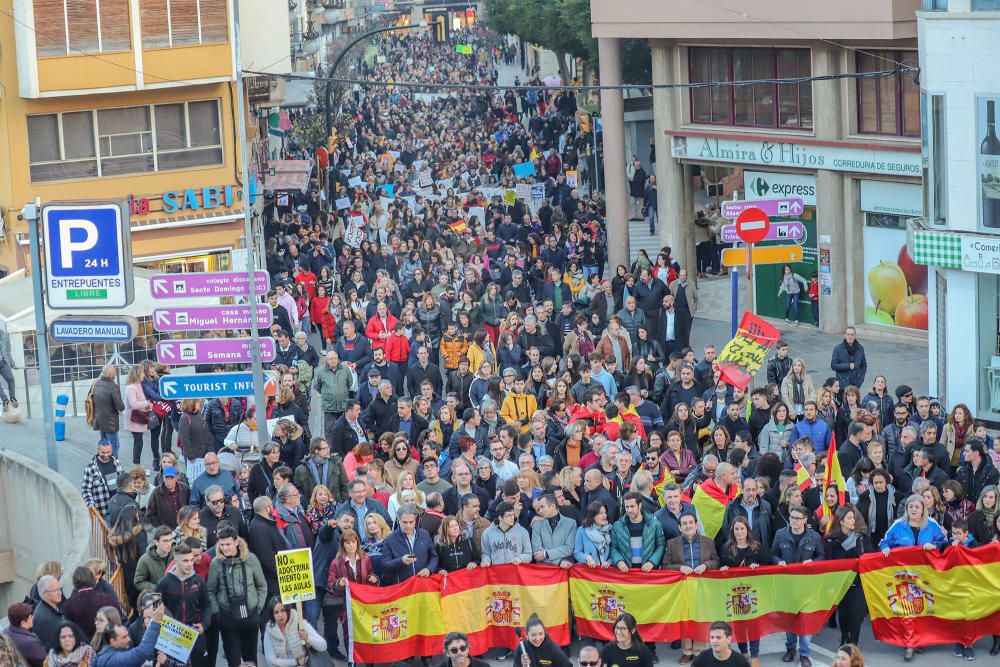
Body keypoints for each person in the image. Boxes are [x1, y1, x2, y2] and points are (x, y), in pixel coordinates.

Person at [207, 524, 267, 667]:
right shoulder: (216, 563)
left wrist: (258, 609)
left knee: (251, 657)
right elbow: (210, 590)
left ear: (236, 542)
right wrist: (218, 612)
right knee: (233, 659)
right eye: (221, 545)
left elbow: (262, 586)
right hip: (227, 616)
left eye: (228, 544)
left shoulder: (251, 559)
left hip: (251, 614)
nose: (225, 548)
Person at [771, 505, 824, 666]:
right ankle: (790, 649)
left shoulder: (814, 537)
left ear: (805, 520)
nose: (793, 521)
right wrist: (778, 561)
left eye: (797, 518)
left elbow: (822, 555)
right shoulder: (781, 534)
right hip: (787, 585)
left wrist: (813, 562)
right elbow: (772, 554)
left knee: (806, 620)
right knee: (790, 620)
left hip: (807, 585)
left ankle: (804, 654)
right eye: (792, 517)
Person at [664, 513, 719, 663]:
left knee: (700, 617)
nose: (688, 526)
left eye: (691, 522)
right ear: (679, 527)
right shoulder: (671, 543)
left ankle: (699, 650)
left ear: (696, 525)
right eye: (684, 523)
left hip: (702, 587)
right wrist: (679, 567)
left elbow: (716, 561)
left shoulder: (708, 542)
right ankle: (687, 651)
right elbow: (665, 566)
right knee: (685, 618)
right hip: (682, 587)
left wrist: (706, 565)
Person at [718, 518, 764, 666]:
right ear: (732, 530)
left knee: (753, 623)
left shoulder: (756, 547)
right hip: (734, 593)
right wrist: (722, 569)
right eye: (736, 529)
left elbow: (767, 565)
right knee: (739, 624)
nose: (739, 532)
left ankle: (755, 654)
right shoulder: (725, 548)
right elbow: (720, 566)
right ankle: (744, 652)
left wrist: (759, 567)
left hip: (752, 592)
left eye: (742, 529)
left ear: (747, 530)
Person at [156, 542, 209, 667]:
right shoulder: (163, 583)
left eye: (191, 560)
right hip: (172, 638)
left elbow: (206, 605)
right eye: (185, 561)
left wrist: (204, 625)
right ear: (176, 560)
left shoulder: (199, 580)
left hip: (195, 634)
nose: (190, 564)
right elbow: (155, 611)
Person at [824, 506, 871, 647]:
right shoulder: (831, 541)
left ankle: (853, 643)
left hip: (858, 583)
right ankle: (845, 637)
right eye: (849, 518)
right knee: (843, 616)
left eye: (853, 518)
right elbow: (828, 562)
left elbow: (870, 556)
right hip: (841, 584)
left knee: (855, 616)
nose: (853, 520)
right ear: (841, 521)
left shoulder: (862, 538)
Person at [90, 603, 164, 667]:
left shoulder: (117, 646)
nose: (129, 639)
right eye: (96, 620)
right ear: (113, 641)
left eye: (101, 620)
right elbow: (142, 652)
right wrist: (155, 621)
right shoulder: (108, 657)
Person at [262, 596, 326, 667]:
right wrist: (296, 662)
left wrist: (308, 638)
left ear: (288, 610)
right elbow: (271, 661)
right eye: (276, 612)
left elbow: (323, 646)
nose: (280, 615)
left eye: (283, 610)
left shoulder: (300, 623)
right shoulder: (269, 631)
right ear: (272, 615)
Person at [610, 492, 665, 573]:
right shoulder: (617, 526)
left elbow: (661, 545)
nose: (629, 510)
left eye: (632, 506)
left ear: (640, 505)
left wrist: (652, 562)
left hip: (648, 572)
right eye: (627, 507)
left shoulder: (654, 524)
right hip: (627, 572)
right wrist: (619, 561)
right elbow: (613, 547)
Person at [381, 505, 437, 583]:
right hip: (403, 587)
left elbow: (434, 557)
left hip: (423, 584)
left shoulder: (424, 535)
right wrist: (401, 561)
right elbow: (385, 565)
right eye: (404, 522)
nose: (408, 525)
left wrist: (429, 569)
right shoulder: (390, 540)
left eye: (411, 522)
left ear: (415, 521)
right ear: (399, 521)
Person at [247, 496, 287, 601]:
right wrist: (283, 574)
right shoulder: (259, 528)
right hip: (273, 582)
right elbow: (267, 558)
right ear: (267, 508)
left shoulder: (264, 524)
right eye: (271, 505)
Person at [80, 440, 124, 523]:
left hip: (119, 509)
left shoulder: (117, 462)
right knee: (107, 535)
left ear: (112, 449)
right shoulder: (90, 468)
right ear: (98, 450)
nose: (106, 455)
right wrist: (90, 505)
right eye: (103, 452)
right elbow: (86, 490)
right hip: (103, 512)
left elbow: (123, 482)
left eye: (108, 452)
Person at [530, 493, 577, 568]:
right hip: (544, 570)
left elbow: (569, 548)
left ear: (552, 506)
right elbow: (537, 553)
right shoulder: (537, 525)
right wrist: (558, 562)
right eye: (538, 508)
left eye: (542, 507)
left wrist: (545, 554)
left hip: (565, 570)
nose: (540, 511)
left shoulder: (571, 523)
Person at [480, 501, 532, 566]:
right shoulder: (487, 533)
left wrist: (520, 559)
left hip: (516, 571)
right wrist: (486, 560)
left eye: (513, 514)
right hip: (497, 572)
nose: (512, 517)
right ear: (500, 518)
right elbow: (485, 554)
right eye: (508, 515)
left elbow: (528, 554)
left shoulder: (523, 532)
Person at [90, 366, 125, 458]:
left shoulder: (97, 383)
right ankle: (113, 466)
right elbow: (120, 406)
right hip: (110, 422)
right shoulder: (113, 386)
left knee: (104, 445)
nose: (115, 374)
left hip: (100, 420)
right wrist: (124, 405)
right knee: (114, 446)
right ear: (110, 374)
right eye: (114, 372)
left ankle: (104, 465)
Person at [134, 526, 172, 594]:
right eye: (165, 541)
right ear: (156, 542)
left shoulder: (177, 555)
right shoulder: (145, 560)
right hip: (157, 597)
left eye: (170, 540)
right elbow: (139, 582)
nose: (169, 544)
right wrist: (157, 588)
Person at [5, 602, 45, 667]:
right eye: (30, 617)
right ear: (23, 623)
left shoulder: (6, 632)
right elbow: (44, 662)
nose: (32, 618)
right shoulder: (30, 642)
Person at [830, 328, 867, 392]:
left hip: (856, 384)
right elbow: (833, 365)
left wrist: (861, 378)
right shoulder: (838, 349)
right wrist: (848, 366)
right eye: (848, 334)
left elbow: (864, 365)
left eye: (852, 334)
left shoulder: (860, 348)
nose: (850, 337)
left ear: (855, 336)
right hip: (842, 385)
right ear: (845, 335)